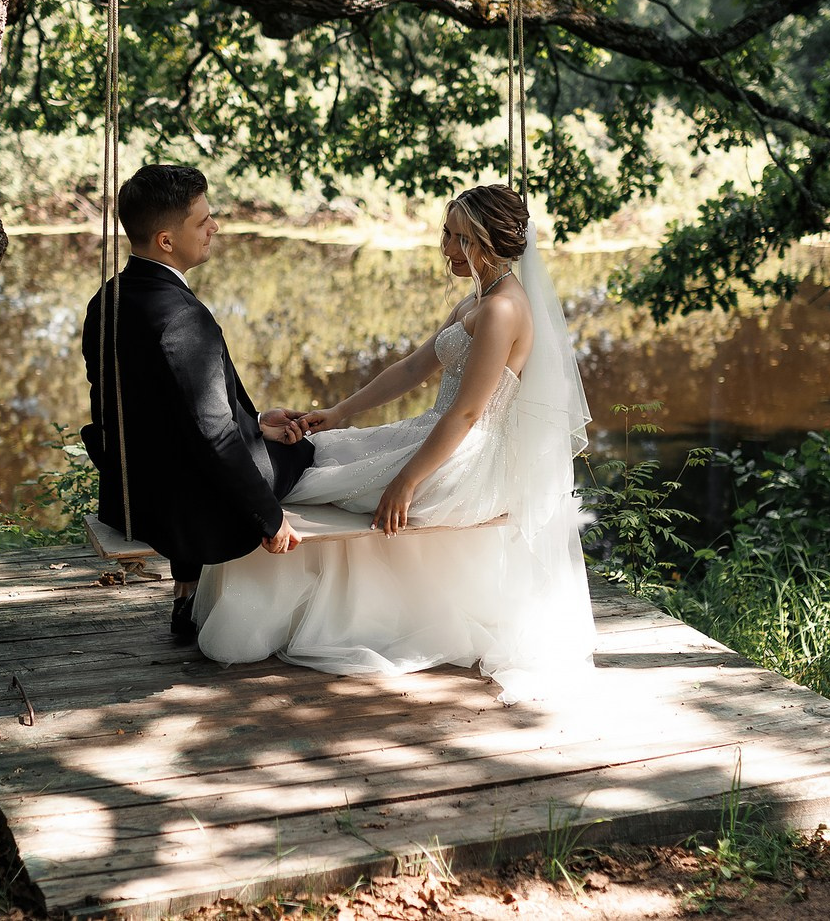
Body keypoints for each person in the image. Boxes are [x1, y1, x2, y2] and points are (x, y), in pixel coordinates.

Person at [193, 183, 596, 700]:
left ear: (490, 242)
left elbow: (471, 412)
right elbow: (412, 368)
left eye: (459, 239)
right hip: (434, 431)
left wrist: (407, 480)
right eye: (447, 235)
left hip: (468, 456)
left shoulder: (503, 310)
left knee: (309, 485)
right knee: (323, 453)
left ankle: (314, 617)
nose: (447, 249)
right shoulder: (478, 298)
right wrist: (338, 413)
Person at [81, 163, 314, 643]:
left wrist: (254, 422)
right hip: (184, 505)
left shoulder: (107, 300)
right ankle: (271, 609)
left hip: (136, 489)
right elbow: (213, 436)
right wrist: (269, 520)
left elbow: (158, 414)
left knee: (271, 440)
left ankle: (186, 593)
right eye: (202, 220)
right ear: (166, 241)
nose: (215, 227)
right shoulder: (182, 318)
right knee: (310, 455)